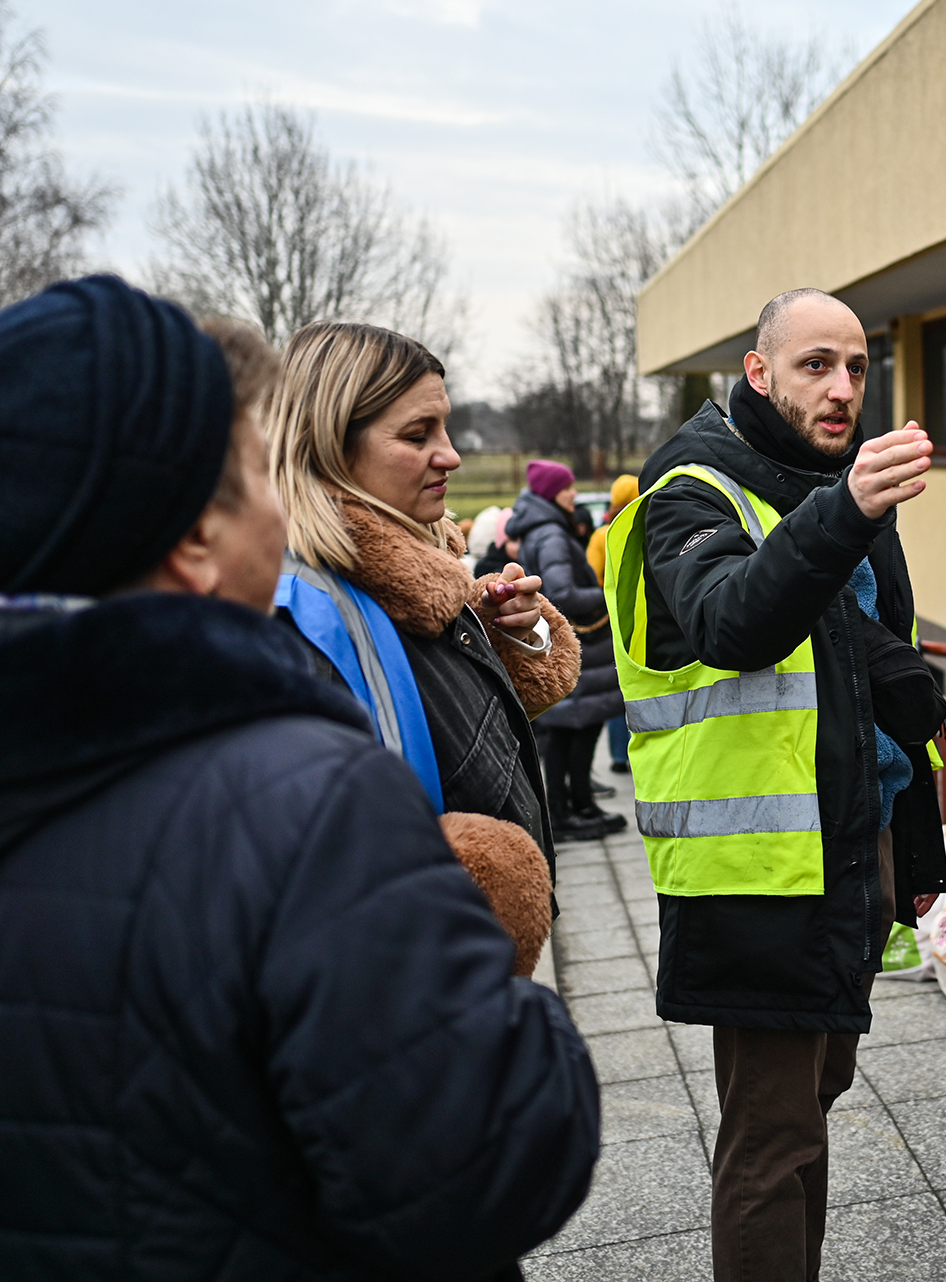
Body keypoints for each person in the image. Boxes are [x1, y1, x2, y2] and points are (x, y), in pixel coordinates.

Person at [0, 276, 600, 1278]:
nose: (286, 506)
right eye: (256, 475)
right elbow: (490, 1156)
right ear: (198, 536)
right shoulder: (303, 791)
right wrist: (484, 962)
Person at [610, 287, 946, 1282]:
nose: (843, 387)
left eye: (855, 366)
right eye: (814, 364)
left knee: (816, 1099)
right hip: (757, 866)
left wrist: (914, 853)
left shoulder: (831, 474)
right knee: (771, 1133)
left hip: (849, 844)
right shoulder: (692, 485)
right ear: (756, 372)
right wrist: (840, 514)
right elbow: (730, 621)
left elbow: (859, 660)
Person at [263, 322, 582, 908]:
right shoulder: (298, 621)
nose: (452, 455)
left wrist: (519, 633)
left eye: (446, 426)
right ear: (329, 444)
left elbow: (470, 737)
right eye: (417, 435)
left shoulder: (426, 580)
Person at [509, 459, 626, 839]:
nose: (574, 494)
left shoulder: (543, 529)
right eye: (567, 488)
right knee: (572, 732)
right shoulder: (553, 533)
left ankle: (577, 805)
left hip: (564, 644)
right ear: (550, 494)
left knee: (574, 728)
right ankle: (565, 813)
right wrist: (612, 593)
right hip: (576, 643)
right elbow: (561, 593)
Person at [588, 473, 642, 774]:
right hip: (634, 618)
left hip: (610, 617)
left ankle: (619, 755)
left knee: (617, 686)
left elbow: (592, 572)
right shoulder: (645, 526)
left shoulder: (601, 534)